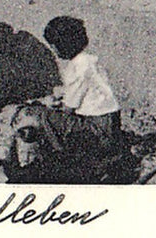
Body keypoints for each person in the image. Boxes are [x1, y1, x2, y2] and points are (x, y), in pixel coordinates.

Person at [27, 16, 122, 168]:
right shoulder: (91, 60)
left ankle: (58, 155)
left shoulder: (77, 68)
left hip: (97, 130)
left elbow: (68, 109)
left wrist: (49, 107)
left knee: (39, 116)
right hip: (111, 123)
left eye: (53, 46)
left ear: (61, 46)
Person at [0, 22, 60, 114]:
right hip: (50, 78)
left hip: (42, 87)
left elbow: (7, 82)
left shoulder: (9, 55)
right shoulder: (24, 37)